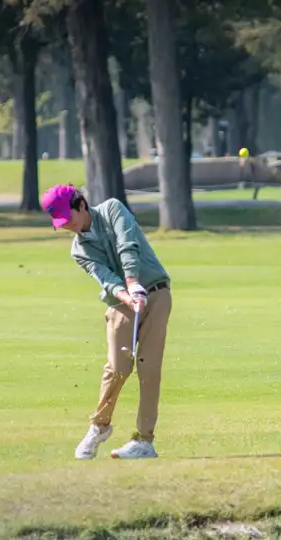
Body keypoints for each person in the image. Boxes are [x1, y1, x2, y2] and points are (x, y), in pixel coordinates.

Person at [41, 184, 172, 460]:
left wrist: (134, 282)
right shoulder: (78, 250)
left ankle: (144, 441)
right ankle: (100, 426)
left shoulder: (113, 209)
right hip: (122, 303)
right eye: (61, 223)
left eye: (68, 218)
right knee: (117, 368)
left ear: (81, 205)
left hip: (156, 293)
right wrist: (128, 296)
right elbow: (105, 278)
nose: (67, 226)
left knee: (149, 370)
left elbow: (127, 244)